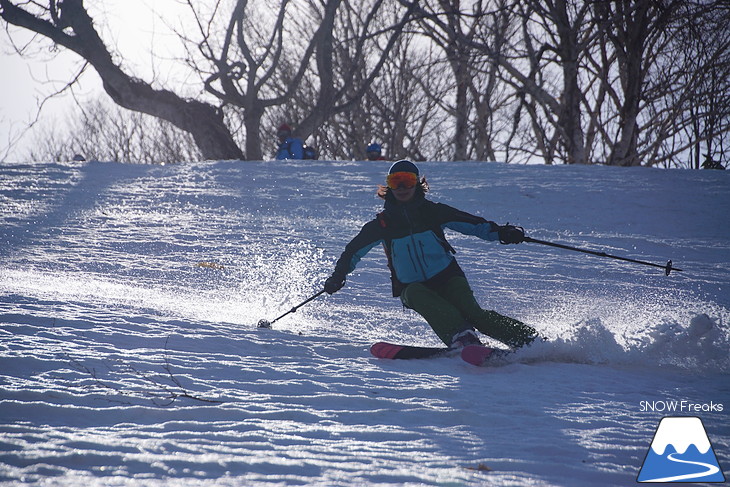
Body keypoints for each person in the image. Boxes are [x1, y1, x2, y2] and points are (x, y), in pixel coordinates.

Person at [323, 160, 539, 350]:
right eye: (395, 180)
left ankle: (531, 340)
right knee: (418, 294)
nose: (401, 187)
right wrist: (338, 276)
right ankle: (461, 337)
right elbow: (352, 251)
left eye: (406, 180)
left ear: (417, 183)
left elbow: (473, 224)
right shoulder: (382, 224)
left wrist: (502, 232)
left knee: (475, 315)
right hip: (411, 285)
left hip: (447, 276)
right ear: (388, 185)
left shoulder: (433, 212)